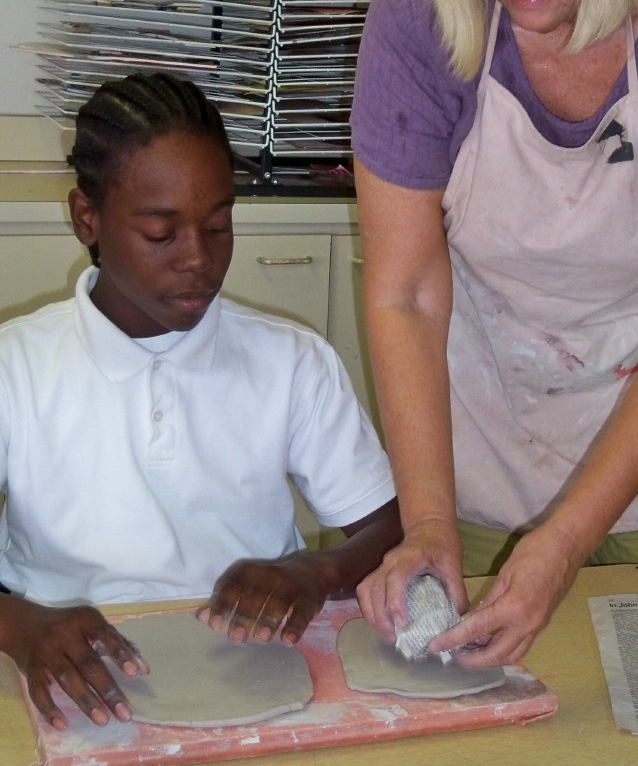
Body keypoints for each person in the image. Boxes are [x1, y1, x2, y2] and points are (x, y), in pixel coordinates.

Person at [351, 0, 638, 670]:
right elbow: (404, 288)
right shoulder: (422, 13)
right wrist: (428, 521)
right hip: (476, 435)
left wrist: (564, 544)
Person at [0, 72, 401, 731]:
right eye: (162, 233)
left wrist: (314, 569)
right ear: (86, 218)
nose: (198, 259)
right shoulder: (16, 368)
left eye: (218, 226)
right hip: (62, 666)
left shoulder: (289, 363)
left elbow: (392, 528)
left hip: (249, 665)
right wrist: (20, 624)